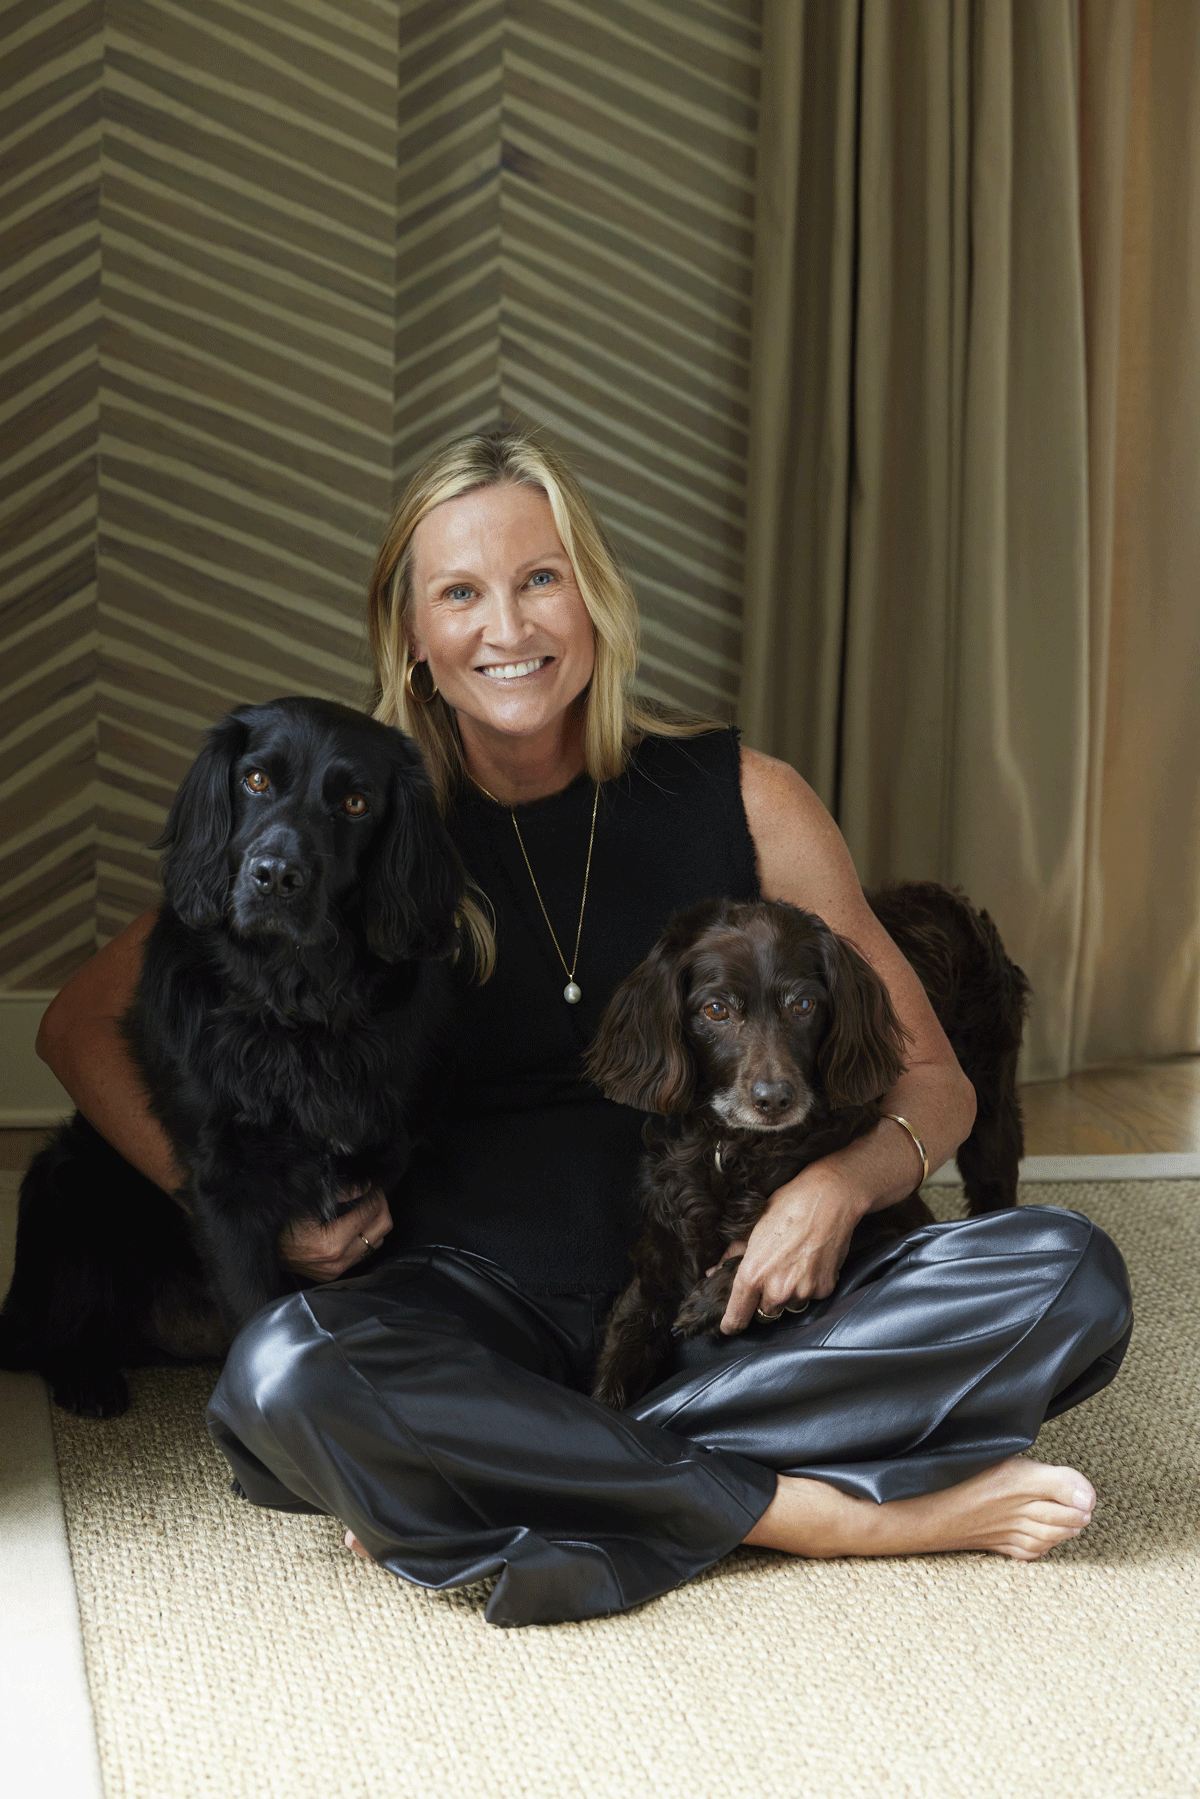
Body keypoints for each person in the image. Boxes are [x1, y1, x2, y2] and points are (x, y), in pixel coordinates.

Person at [38, 430, 1132, 1628]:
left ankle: (519, 1472)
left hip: (733, 1295)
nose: (507, 627)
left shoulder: (745, 793)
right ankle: (822, 1512)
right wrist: (225, 1195)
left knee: (1066, 1273)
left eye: (540, 578)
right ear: (411, 634)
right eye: (461, 592)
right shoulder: (359, 810)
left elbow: (937, 1078)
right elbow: (79, 1022)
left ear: (595, 596)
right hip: (466, 1293)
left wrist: (839, 1188)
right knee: (284, 1377)